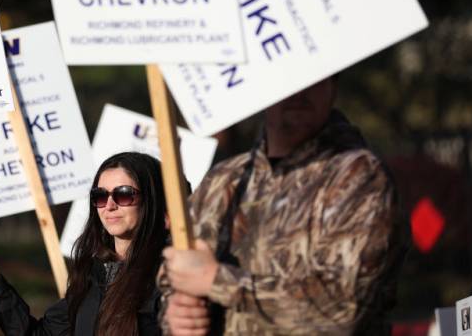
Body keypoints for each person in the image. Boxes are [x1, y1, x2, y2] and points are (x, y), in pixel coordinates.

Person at [161, 77, 403, 335]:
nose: (300, 89)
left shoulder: (359, 177)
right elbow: (172, 280)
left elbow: (344, 309)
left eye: (317, 76)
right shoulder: (223, 181)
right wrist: (177, 313)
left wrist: (216, 281)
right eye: (287, 76)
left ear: (333, 87)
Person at [0, 152, 168, 335]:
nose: (110, 205)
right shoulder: (92, 276)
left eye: (123, 194)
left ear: (151, 200)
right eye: (100, 196)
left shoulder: (170, 276)